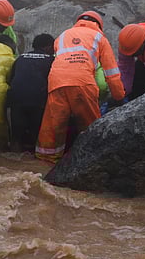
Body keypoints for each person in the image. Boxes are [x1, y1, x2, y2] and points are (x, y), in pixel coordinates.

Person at [35, 11, 125, 163]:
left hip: (57, 82)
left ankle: (44, 163)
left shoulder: (62, 36)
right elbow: (111, 72)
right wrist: (119, 97)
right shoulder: (99, 38)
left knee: (53, 126)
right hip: (83, 83)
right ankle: (93, 160)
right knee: (90, 126)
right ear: (98, 25)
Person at [7, 33, 55, 153]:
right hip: (38, 101)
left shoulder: (20, 58)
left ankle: (13, 160)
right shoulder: (51, 60)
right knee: (36, 137)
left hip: (16, 99)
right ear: (48, 47)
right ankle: (35, 166)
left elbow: (11, 80)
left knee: (16, 138)